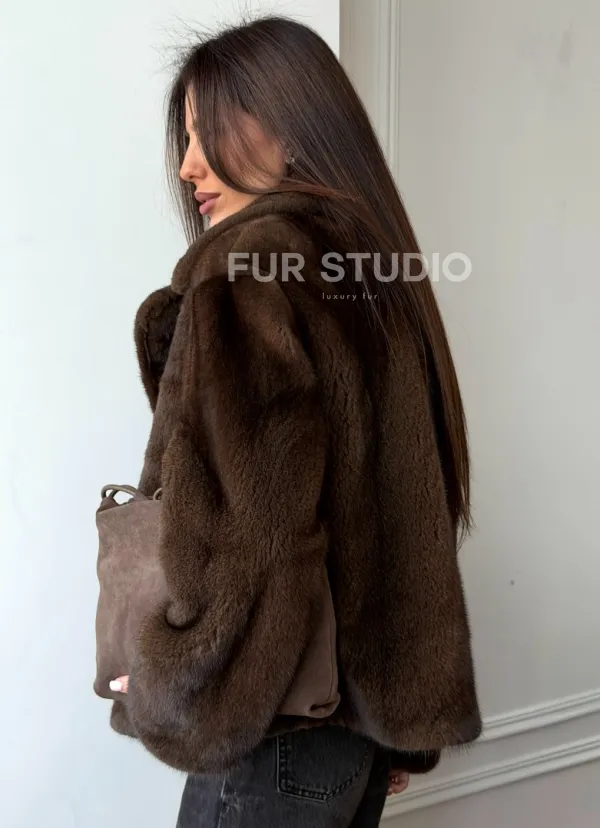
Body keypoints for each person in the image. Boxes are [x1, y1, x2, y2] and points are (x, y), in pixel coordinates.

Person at [106, 15, 481, 828]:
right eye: (186, 136)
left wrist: (172, 681)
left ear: (293, 125)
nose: (188, 165)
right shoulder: (370, 267)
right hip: (351, 737)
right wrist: (396, 728)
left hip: (270, 727)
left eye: (209, 131)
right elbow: (407, 515)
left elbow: (250, 536)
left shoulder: (249, 270)